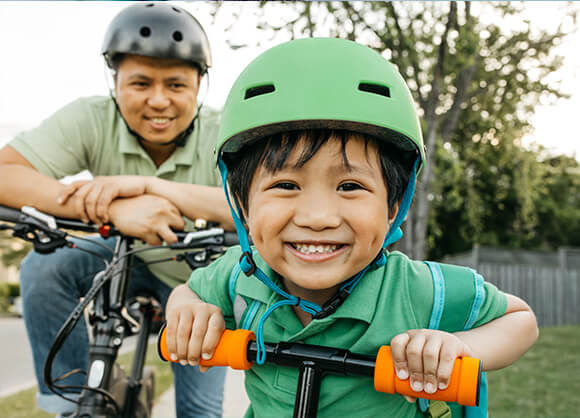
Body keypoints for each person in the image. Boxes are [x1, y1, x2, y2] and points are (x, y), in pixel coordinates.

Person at [162, 38, 539, 417]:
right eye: (286, 186)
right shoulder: (241, 277)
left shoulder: (414, 290)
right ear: (242, 205)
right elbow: (188, 292)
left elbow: (519, 320)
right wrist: (189, 311)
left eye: (350, 186)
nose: (318, 217)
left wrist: (459, 348)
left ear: (394, 205)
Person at [0, 3, 233, 417]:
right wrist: (117, 211)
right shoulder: (90, 117)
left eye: (176, 85)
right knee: (42, 268)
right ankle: (69, 405)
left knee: (200, 411)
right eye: (140, 83)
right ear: (115, 81)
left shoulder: (226, 129)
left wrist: (152, 187)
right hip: (120, 255)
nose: (158, 101)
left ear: (200, 85)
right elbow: (5, 174)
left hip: (198, 278)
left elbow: (257, 208)